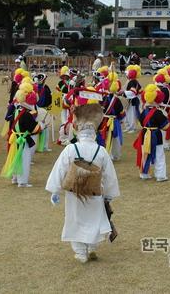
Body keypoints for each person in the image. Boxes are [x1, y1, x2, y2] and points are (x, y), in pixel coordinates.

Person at [46, 103, 120, 263]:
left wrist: (55, 191)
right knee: (94, 219)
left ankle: (80, 253)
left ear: (78, 132)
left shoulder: (70, 149)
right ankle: (92, 247)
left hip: (74, 192)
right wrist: (109, 195)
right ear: (94, 133)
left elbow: (59, 170)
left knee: (75, 220)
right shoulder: (101, 151)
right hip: (95, 192)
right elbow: (109, 176)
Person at [1, 80, 43, 187]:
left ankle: (15, 178)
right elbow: (35, 129)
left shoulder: (18, 109)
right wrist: (42, 125)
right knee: (24, 160)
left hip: (16, 138)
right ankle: (22, 181)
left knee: (16, 158)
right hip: (23, 140)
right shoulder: (27, 114)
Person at [133, 84, 169, 181]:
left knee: (145, 153)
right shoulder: (158, 112)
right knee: (159, 155)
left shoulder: (143, 112)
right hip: (156, 135)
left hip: (145, 134)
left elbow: (141, 122)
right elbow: (166, 126)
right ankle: (160, 175)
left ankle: (144, 174)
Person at [98, 71, 125, 161]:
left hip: (104, 120)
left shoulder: (102, 98)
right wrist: (120, 119)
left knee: (104, 137)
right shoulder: (117, 100)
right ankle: (115, 155)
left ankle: (105, 154)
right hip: (115, 121)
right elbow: (121, 113)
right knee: (115, 138)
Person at [34, 73, 53, 152]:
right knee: (44, 129)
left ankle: (37, 147)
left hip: (35, 109)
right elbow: (49, 99)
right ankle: (44, 146)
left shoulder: (34, 87)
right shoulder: (44, 88)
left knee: (36, 129)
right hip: (42, 110)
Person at [123, 65, 142, 133]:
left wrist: (123, 92)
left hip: (132, 101)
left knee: (131, 114)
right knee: (129, 114)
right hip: (133, 100)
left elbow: (133, 92)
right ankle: (128, 127)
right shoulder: (134, 81)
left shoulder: (132, 82)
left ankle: (132, 128)